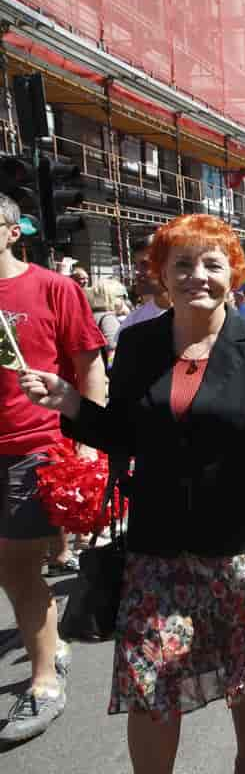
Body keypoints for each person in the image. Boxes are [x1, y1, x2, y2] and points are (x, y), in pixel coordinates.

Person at [18, 213, 245, 773]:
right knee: (149, 685)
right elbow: (124, 434)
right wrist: (71, 405)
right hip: (156, 548)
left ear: (233, 273)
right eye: (183, 265)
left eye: (213, 264)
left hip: (238, 546)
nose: (199, 275)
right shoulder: (140, 341)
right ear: (162, 275)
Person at [0, 194, 107, 745]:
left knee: (18, 567)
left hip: (34, 443)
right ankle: (53, 644)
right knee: (11, 569)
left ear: (11, 230)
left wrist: (90, 443)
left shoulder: (52, 288)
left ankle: (44, 680)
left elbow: (91, 363)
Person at [120, 238, 171, 336]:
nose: (136, 272)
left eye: (145, 265)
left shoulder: (195, 315)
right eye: (136, 265)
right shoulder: (133, 321)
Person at [86, 279, 130, 365]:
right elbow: (112, 354)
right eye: (122, 296)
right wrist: (113, 371)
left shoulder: (92, 315)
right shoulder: (108, 319)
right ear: (111, 296)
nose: (124, 300)